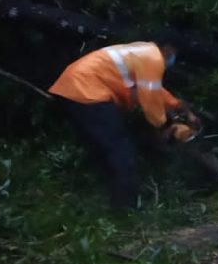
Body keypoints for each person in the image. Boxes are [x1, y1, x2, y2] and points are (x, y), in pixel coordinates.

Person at [49, 38, 193, 208]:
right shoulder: (153, 58)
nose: (171, 59)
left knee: (103, 149)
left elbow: (151, 89)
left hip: (71, 87)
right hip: (87, 91)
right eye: (174, 55)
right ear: (168, 49)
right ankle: (125, 209)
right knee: (121, 150)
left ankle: (100, 201)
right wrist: (162, 126)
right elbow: (150, 98)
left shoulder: (142, 52)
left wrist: (177, 105)